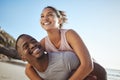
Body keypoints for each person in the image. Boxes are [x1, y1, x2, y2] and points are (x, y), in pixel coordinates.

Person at [24, 6, 107, 80]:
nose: (45, 18)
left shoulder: (69, 34)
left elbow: (88, 65)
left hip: (95, 72)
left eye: (50, 15)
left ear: (60, 20)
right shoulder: (43, 43)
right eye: (42, 16)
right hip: (70, 73)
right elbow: (28, 69)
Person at [16, 34, 98, 80]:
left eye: (34, 41)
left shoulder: (66, 59)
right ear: (23, 58)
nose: (32, 45)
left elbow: (94, 68)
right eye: (26, 46)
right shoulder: (31, 72)